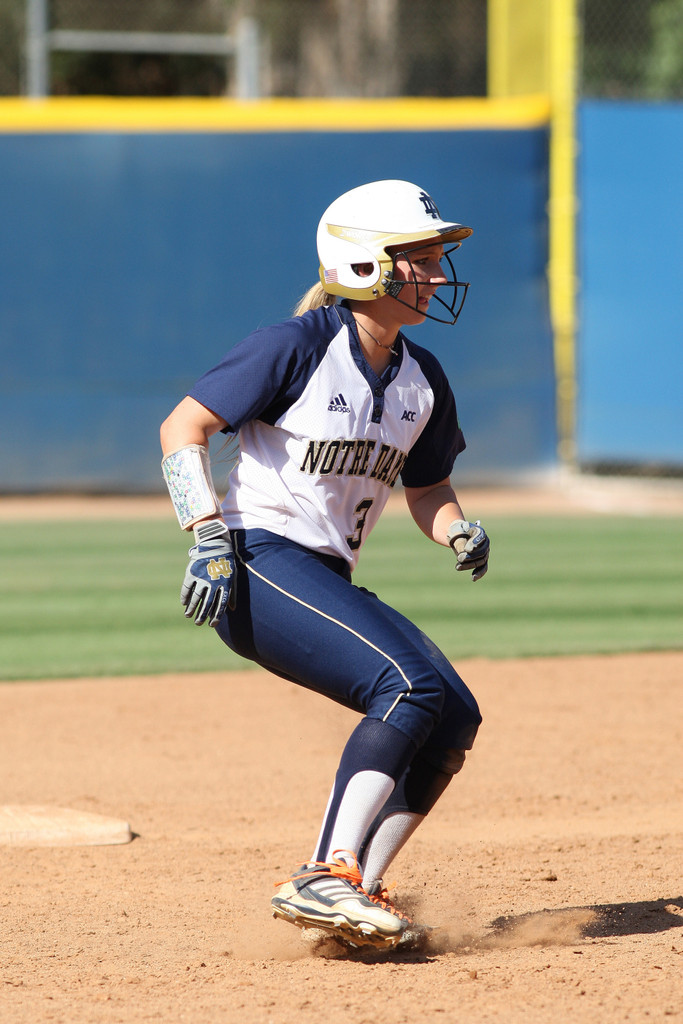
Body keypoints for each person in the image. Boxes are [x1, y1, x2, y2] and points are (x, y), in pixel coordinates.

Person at [159, 179, 490, 951]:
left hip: (320, 578)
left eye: (437, 259)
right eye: (422, 258)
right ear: (365, 265)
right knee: (405, 685)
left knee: (452, 714)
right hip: (256, 564)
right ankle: (326, 873)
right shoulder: (298, 344)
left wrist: (454, 529)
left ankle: (357, 898)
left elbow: (428, 485)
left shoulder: (421, 378)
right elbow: (184, 426)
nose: (438, 274)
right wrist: (205, 532)